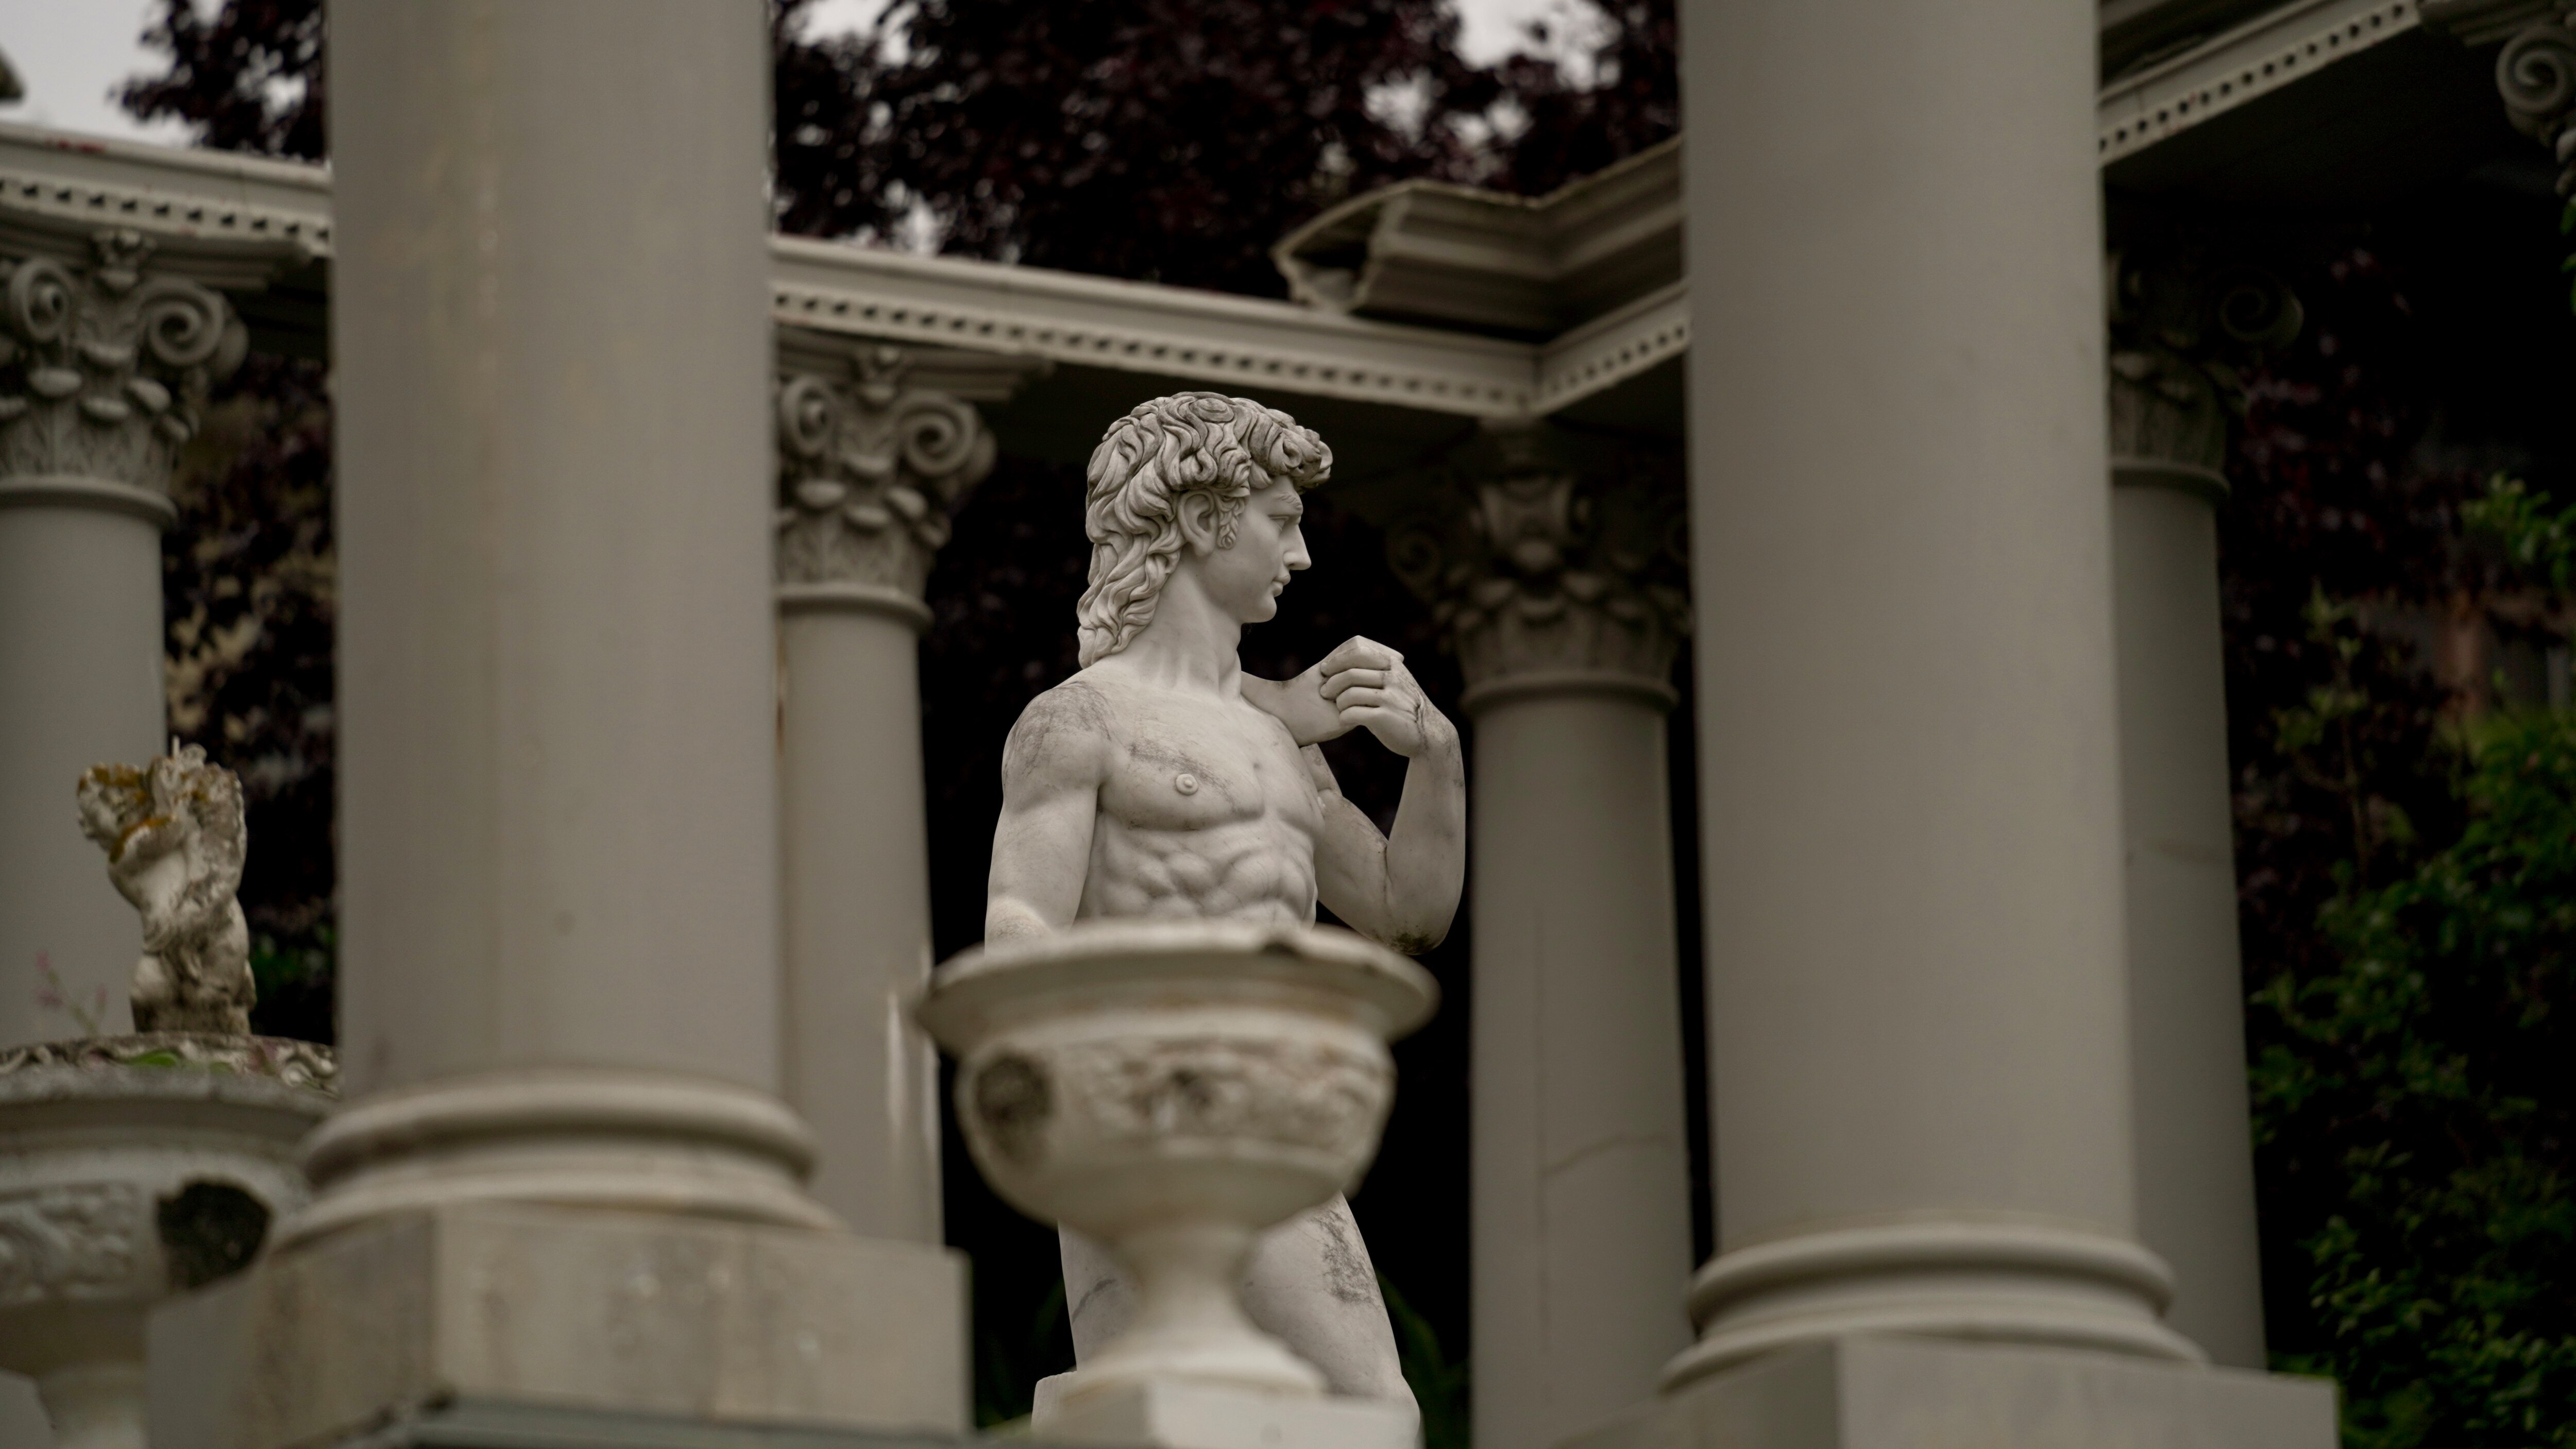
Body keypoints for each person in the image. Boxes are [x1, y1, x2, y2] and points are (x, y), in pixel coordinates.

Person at [985, 391, 1466, 1410]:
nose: (1299, 559)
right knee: (1366, 1404)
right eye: (1281, 522)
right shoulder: (1080, 720)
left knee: (1173, 1409)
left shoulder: (1275, 741)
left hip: (1283, 1108)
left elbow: (1402, 913)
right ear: (1205, 520)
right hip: (1143, 1100)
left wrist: (1438, 760)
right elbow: (1020, 924)